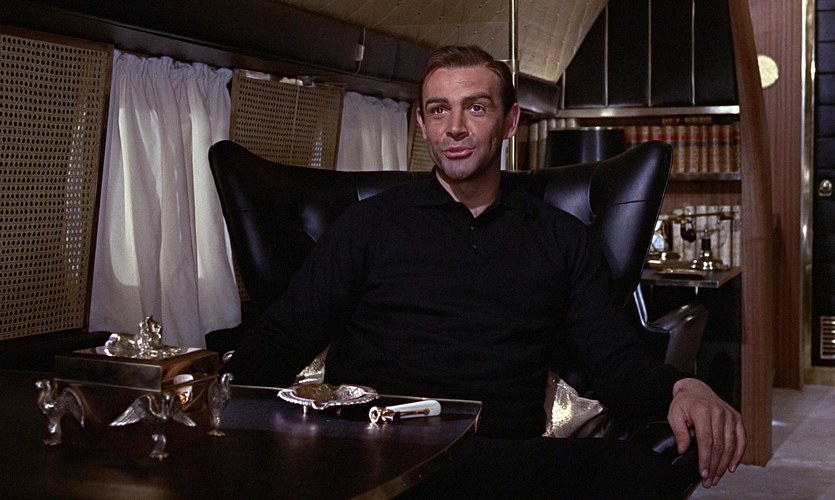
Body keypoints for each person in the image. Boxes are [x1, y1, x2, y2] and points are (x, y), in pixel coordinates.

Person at [224, 45, 745, 498]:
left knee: (648, 470)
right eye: (439, 110)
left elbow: (613, 359)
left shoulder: (559, 237)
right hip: (376, 452)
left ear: (510, 121)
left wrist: (684, 389)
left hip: (503, 456)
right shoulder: (367, 226)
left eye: (475, 108)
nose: (455, 127)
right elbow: (284, 335)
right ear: (422, 124)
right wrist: (214, 394)